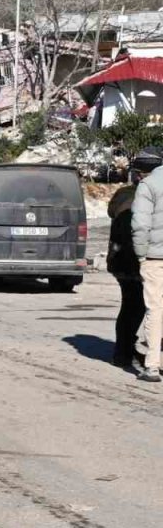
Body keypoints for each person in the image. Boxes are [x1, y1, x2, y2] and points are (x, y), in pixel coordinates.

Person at [108, 153, 161, 369]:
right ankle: (125, 352)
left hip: (134, 259)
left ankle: (129, 351)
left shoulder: (129, 193)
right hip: (130, 260)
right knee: (136, 306)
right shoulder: (130, 196)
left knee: (137, 307)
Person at [130, 155, 163, 383]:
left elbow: (140, 225)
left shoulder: (148, 185)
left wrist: (141, 255)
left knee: (155, 309)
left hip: (155, 256)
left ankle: (151, 366)